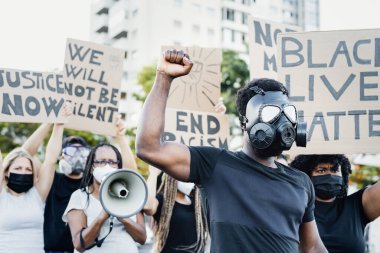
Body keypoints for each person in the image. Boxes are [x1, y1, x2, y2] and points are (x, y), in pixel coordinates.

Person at [136, 49, 327, 252]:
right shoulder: (215, 164)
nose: (283, 122)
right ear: (245, 122)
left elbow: (313, 247)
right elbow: (150, 147)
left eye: (287, 113)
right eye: (270, 113)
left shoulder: (302, 182)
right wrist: (164, 78)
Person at [44, 114, 138, 253]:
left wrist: (121, 137)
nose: (77, 157)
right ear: (61, 156)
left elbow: (130, 172)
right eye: (71, 151)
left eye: (82, 152)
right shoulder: (53, 180)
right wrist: (57, 124)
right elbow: (50, 159)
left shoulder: (97, 184)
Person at [63, 143, 146, 253]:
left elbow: (142, 238)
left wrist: (123, 217)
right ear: (91, 166)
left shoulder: (130, 194)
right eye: (101, 162)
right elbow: (79, 244)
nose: (107, 166)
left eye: (112, 162)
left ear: (118, 166)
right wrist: (101, 217)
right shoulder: (79, 196)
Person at [290, 155, 380, 253]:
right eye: (321, 170)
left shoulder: (357, 204)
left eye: (335, 170)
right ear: (306, 175)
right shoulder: (295, 208)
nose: (330, 175)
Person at [0, 123, 66, 253]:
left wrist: (59, 123)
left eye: (28, 169)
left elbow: (51, 160)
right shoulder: (2, 196)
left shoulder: (37, 195)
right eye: (18, 168)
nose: (23, 172)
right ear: (6, 171)